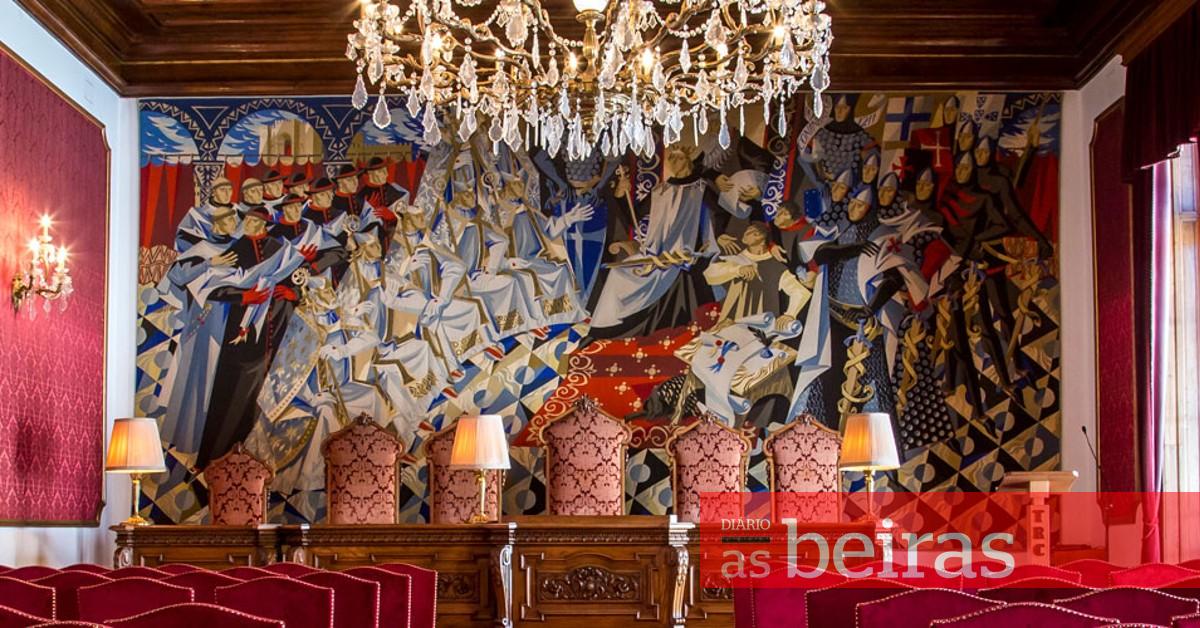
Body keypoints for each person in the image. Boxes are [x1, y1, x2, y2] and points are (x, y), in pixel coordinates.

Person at [193, 206, 305, 470]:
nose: (250, 225)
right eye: (248, 221)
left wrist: (295, 294)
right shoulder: (235, 249)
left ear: (264, 224)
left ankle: (258, 461)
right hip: (240, 336)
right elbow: (211, 288)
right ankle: (216, 458)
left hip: (277, 332)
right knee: (230, 393)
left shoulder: (281, 249)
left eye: (255, 222)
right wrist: (242, 296)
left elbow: (300, 282)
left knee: (266, 396)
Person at [589, 144, 721, 338]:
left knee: (659, 273)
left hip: (684, 254)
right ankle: (607, 328)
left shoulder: (700, 189)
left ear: (688, 160)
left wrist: (717, 238)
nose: (674, 162)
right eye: (671, 158)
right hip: (655, 253)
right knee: (619, 272)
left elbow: (718, 214)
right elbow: (632, 217)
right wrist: (621, 196)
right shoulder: (660, 190)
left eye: (679, 158)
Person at [156, 205, 241, 459]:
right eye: (230, 221)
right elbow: (177, 275)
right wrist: (209, 264)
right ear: (218, 224)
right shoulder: (202, 248)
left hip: (231, 318)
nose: (234, 224)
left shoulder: (238, 246)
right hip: (205, 320)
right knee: (200, 376)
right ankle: (190, 438)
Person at [703, 222, 812, 324]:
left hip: (762, 327)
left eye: (750, 232)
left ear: (760, 237)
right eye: (746, 231)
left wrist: (790, 314)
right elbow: (709, 274)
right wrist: (737, 270)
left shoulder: (776, 267)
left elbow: (800, 292)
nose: (745, 234)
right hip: (731, 324)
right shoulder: (735, 258)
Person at [175, 177, 236, 252]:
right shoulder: (197, 214)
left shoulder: (239, 212)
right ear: (213, 192)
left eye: (230, 189)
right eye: (222, 190)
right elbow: (181, 240)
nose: (227, 194)